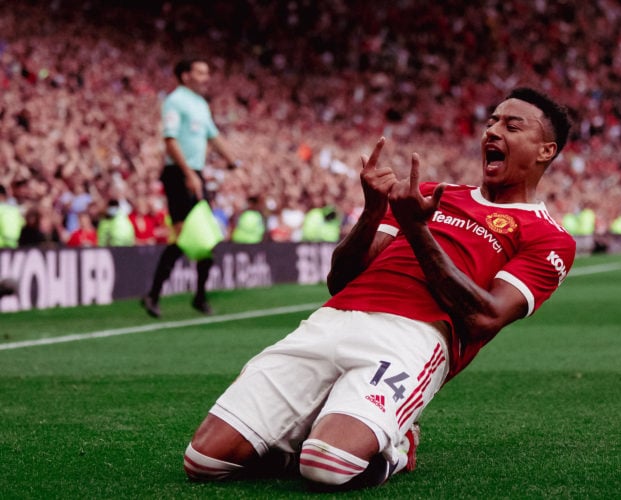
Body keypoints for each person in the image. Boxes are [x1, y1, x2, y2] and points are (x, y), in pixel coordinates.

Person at [183, 88, 576, 490]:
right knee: (203, 461)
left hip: (412, 337)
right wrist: (373, 211)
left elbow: (484, 318)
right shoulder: (426, 194)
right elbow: (340, 281)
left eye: (511, 126)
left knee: (327, 467)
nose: (493, 131)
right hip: (334, 318)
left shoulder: (549, 237)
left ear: (546, 151)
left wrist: (418, 230)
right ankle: (316, 431)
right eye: (491, 121)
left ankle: (395, 445)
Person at [142, 57, 240, 318]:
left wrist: (233, 161)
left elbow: (213, 135)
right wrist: (188, 174)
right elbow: (170, 140)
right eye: (200, 72)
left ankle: (196, 296)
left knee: (204, 236)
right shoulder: (175, 101)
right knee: (186, 236)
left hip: (194, 173)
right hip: (178, 174)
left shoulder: (200, 104)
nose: (206, 77)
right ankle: (154, 295)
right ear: (185, 76)